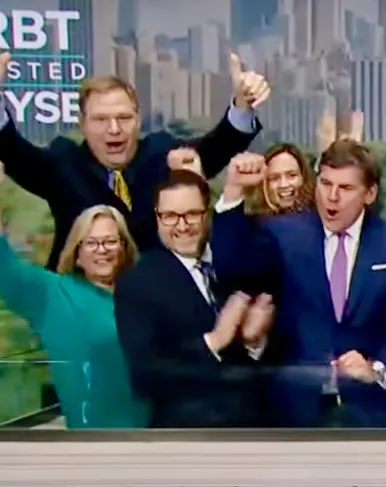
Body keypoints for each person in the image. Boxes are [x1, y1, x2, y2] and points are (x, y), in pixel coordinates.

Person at [212, 143, 386, 427]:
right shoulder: (283, 235)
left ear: (369, 194)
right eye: (325, 184)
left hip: (372, 412)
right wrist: (233, 194)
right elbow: (230, 270)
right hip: (296, 410)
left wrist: (376, 367)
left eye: (346, 188)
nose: (332, 198)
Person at [0, 52, 270, 269]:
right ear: (82, 124)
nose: (114, 129)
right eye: (101, 119)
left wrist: (241, 106)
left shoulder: (163, 154)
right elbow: (14, 152)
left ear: (138, 119)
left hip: (160, 308)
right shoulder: (64, 163)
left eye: (124, 118)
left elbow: (215, 149)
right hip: (86, 310)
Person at [113, 170, 273, 428]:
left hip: (252, 430)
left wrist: (255, 343)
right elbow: (145, 376)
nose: (182, 225)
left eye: (191, 214)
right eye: (170, 216)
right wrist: (212, 342)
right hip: (186, 437)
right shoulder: (138, 282)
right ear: (157, 218)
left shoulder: (234, 265)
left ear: (206, 214)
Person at [0, 203, 148, 428]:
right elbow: (6, 270)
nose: (102, 249)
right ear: (77, 253)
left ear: (124, 248)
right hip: (91, 442)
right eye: (91, 242)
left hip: (154, 434)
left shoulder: (146, 293)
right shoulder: (54, 293)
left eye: (110, 241)